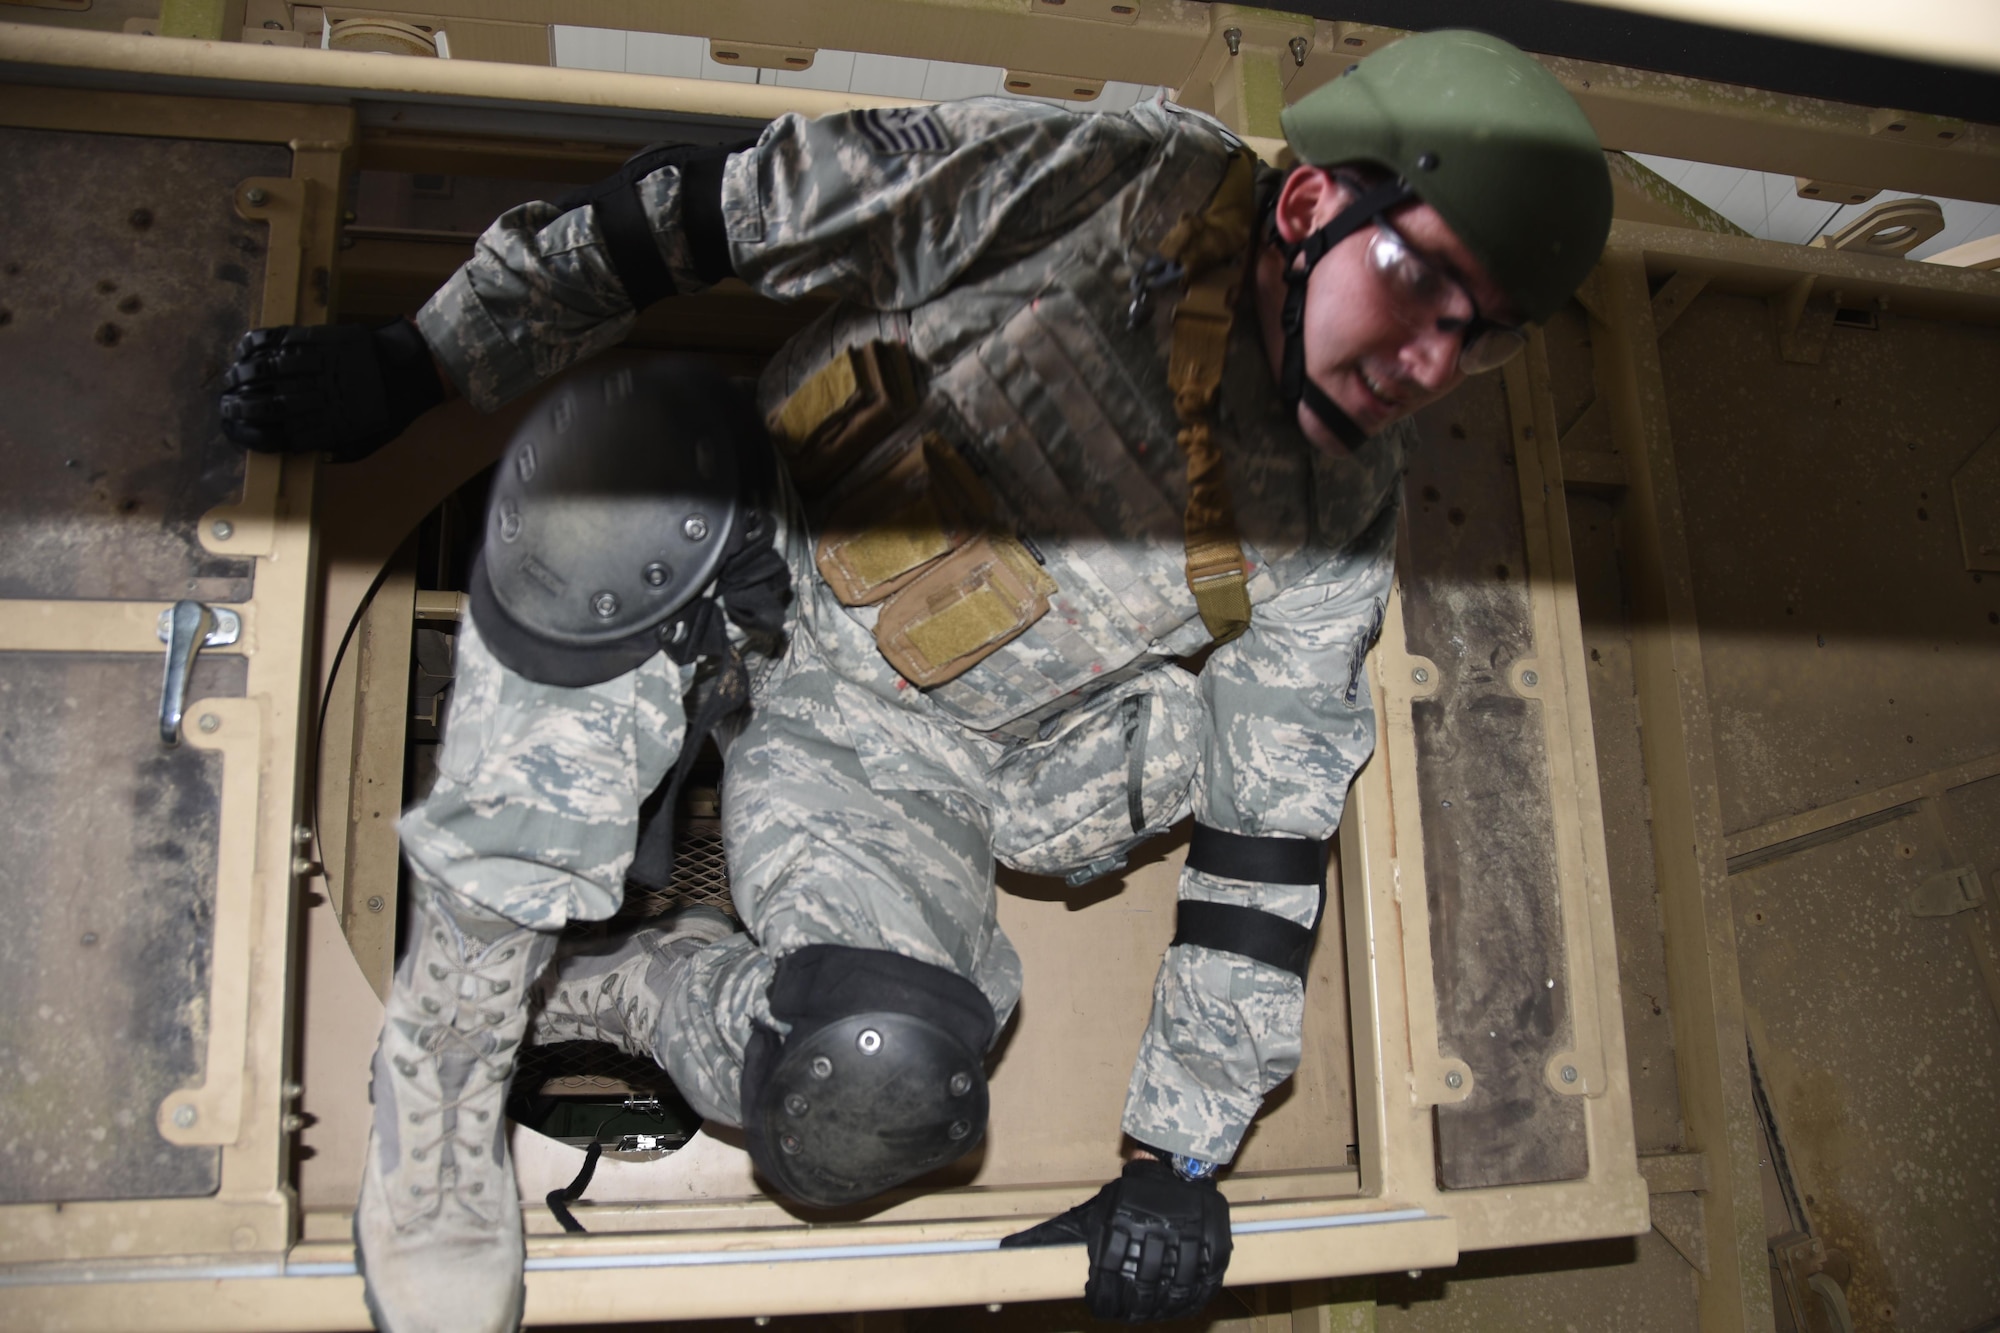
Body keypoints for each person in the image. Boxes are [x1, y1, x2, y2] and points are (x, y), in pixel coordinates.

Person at [221, 28, 1610, 1331]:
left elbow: (1270, 831)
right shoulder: (1092, 188)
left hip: (910, 756)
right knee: (612, 488)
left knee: (869, 1092)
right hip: (761, 541)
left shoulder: (1338, 512)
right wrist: (427, 356)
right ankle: (450, 1057)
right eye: (1424, 282)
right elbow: (712, 210)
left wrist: (1179, 1149)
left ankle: (610, 991)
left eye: (1480, 335)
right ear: (1308, 205)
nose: (1430, 363)